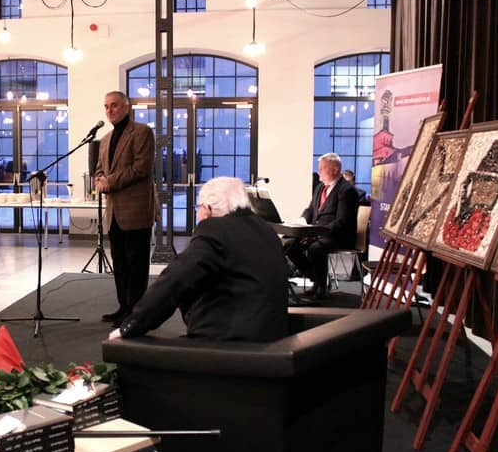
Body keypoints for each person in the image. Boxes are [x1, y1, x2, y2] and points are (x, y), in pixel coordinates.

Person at [109, 177, 289, 340]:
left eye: (198, 207)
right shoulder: (266, 229)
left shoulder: (215, 230)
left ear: (208, 209)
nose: (197, 214)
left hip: (231, 339)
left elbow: (174, 280)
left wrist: (132, 325)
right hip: (272, 334)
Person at [94, 90, 159, 324]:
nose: (110, 110)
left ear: (126, 107)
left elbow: (141, 168)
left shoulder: (142, 132)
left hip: (136, 210)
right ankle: (124, 307)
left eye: (114, 105)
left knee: (136, 265)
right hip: (114, 213)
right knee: (120, 264)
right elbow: (99, 169)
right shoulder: (105, 139)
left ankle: (136, 313)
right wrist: (99, 180)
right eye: (106, 106)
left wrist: (109, 182)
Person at [285, 152, 359, 300]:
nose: (318, 172)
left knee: (315, 249)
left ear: (335, 169)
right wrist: (302, 221)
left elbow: (342, 222)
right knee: (290, 246)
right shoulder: (320, 188)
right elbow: (310, 210)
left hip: (338, 236)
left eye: (322, 168)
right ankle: (317, 279)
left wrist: (316, 234)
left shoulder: (347, 191)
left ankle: (321, 287)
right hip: (317, 234)